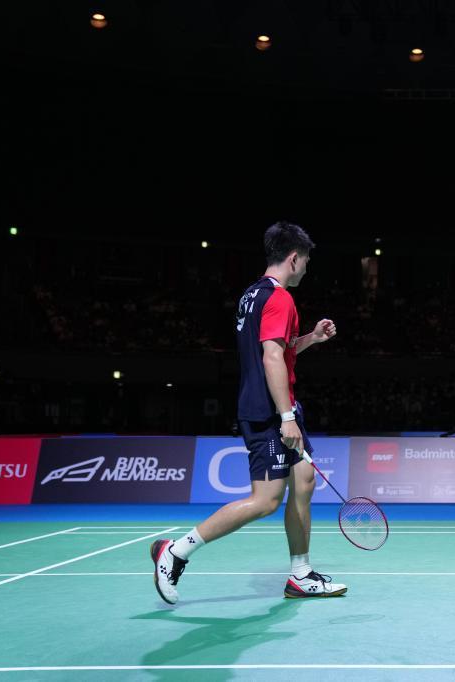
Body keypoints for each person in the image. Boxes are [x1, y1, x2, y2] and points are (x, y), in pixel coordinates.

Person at [151, 221, 345, 604]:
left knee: (304, 479)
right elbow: (271, 357)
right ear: (294, 258)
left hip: (275, 406)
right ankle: (175, 552)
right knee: (266, 500)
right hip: (268, 412)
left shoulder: (252, 295)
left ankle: (301, 575)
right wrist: (285, 417)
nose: (306, 269)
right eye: (306, 261)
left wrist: (312, 339)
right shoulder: (280, 298)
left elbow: (278, 349)